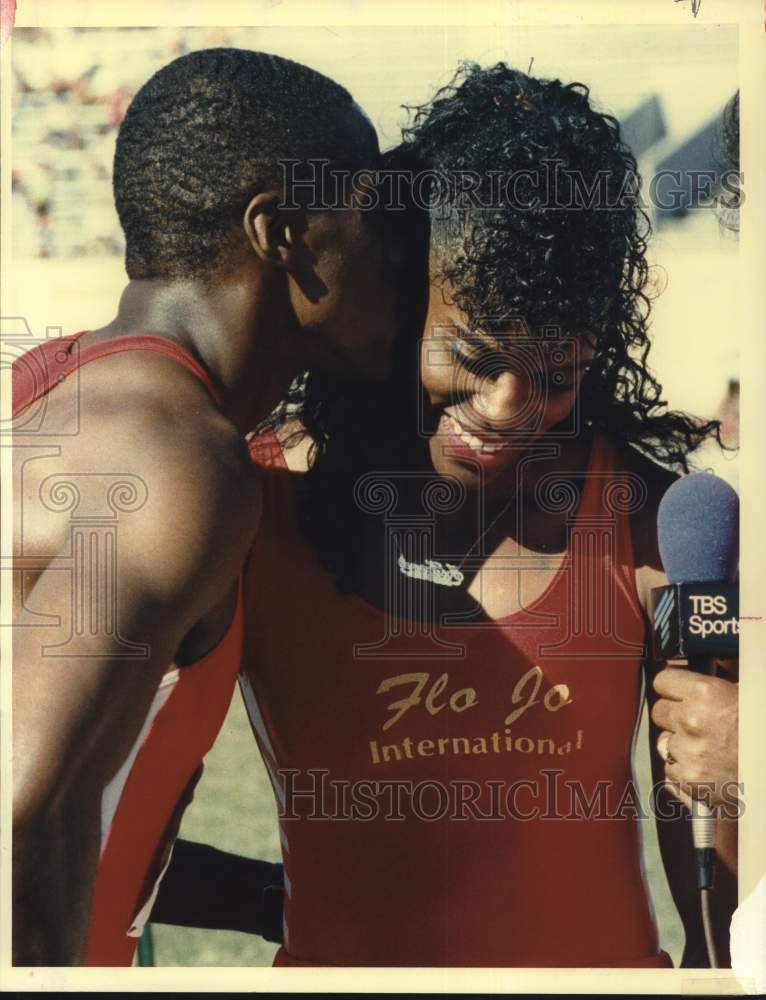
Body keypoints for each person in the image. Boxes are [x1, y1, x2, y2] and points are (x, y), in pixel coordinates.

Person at [153, 63, 738, 967]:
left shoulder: (647, 519)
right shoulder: (255, 503)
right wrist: (281, 902)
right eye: (471, 354)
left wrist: (742, 778)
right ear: (397, 307)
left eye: (557, 376)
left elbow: (721, 916)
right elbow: (108, 825)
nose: (510, 411)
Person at [11, 46, 399, 967]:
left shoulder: (62, 386)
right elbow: (22, 799)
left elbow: (88, 805)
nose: (395, 256)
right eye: (372, 217)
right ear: (282, 232)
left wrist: (271, 896)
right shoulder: (182, 458)